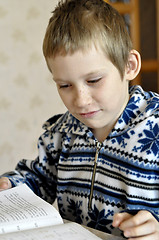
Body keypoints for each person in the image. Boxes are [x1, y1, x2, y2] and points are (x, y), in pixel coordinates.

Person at [0, 0, 159, 238]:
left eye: (94, 81)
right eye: (65, 85)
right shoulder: (61, 132)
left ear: (129, 65)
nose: (80, 100)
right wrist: (10, 187)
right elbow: (37, 180)